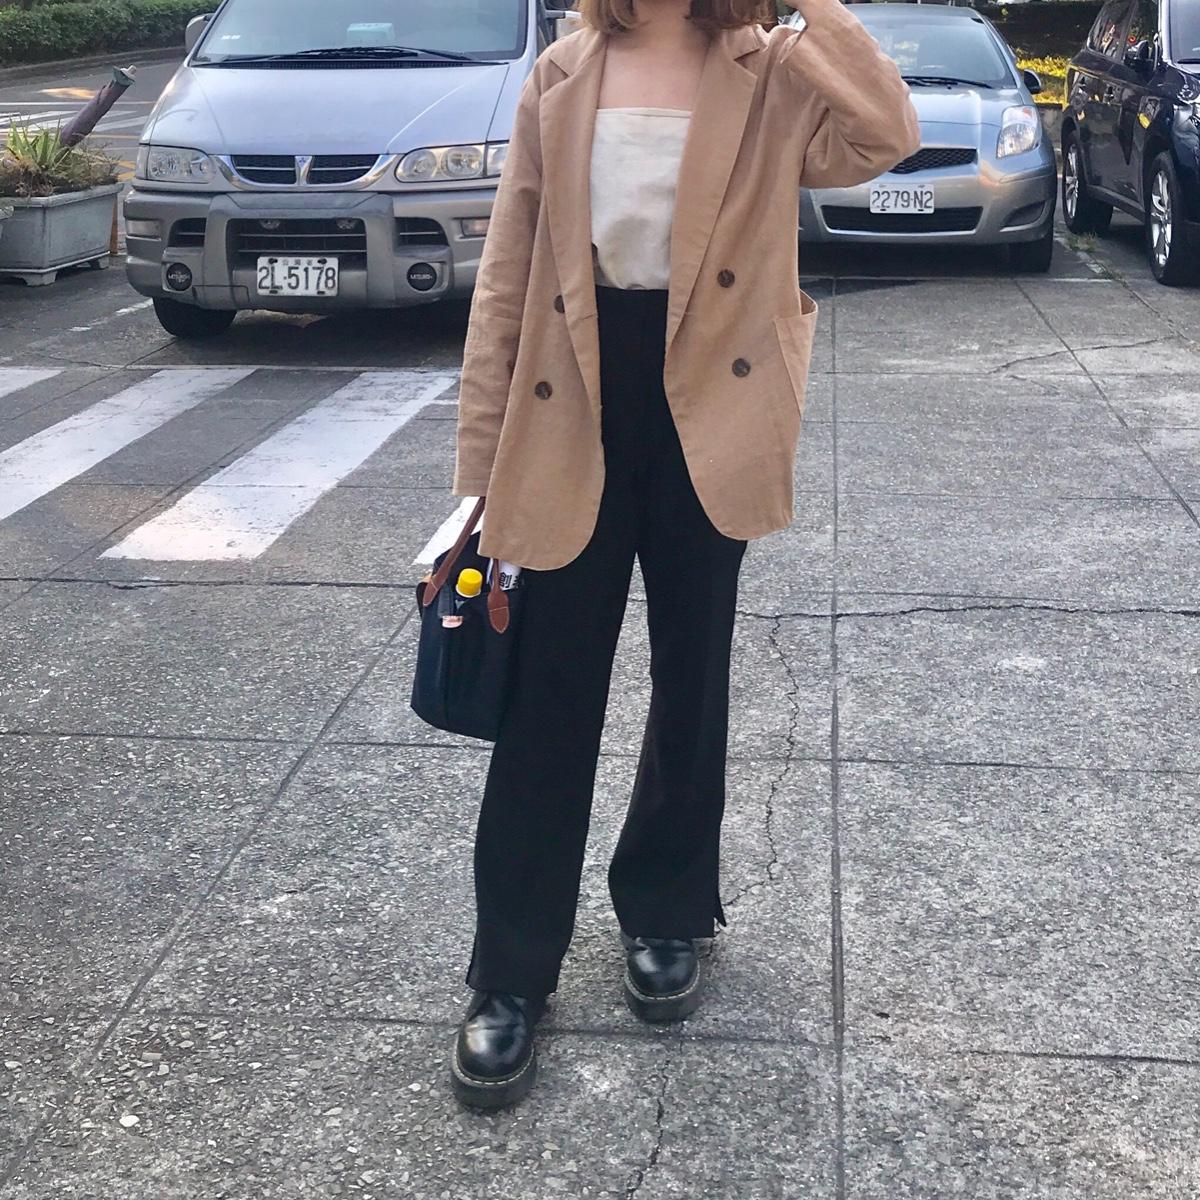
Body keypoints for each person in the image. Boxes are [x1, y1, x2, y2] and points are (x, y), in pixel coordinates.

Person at [448, 0, 920, 1108]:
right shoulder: (564, 70)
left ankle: (666, 910)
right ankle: (510, 970)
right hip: (573, 393)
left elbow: (886, 133)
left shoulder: (775, 69)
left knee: (691, 675)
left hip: (715, 399)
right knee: (547, 693)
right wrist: (479, 457)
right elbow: (508, 267)